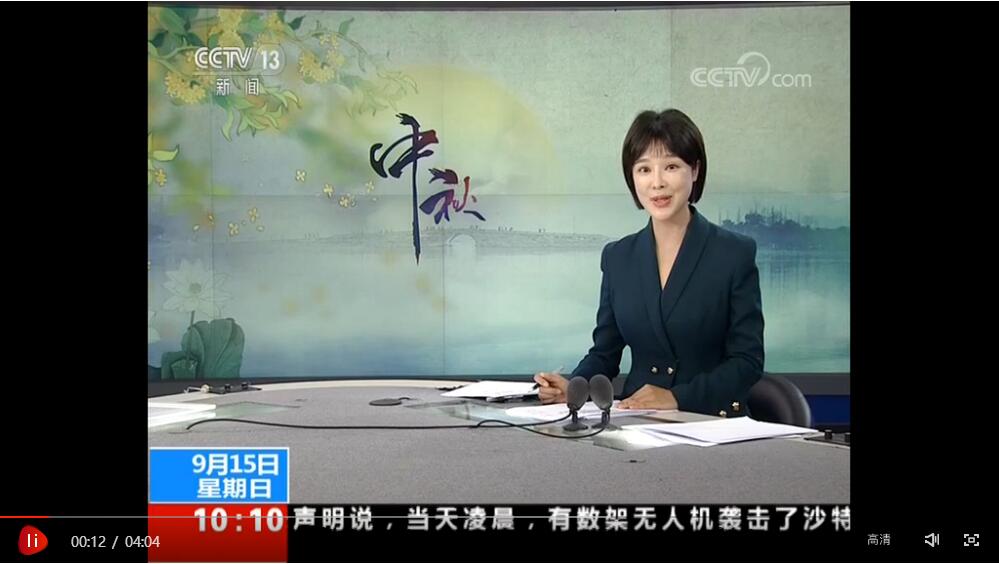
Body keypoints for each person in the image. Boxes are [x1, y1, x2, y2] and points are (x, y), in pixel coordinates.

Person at [534, 109, 764, 417]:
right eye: (644, 169)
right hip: (635, 421)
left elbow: (747, 362)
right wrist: (575, 387)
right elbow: (605, 353)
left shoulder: (734, 253)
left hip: (711, 421)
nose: (657, 183)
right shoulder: (618, 257)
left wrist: (677, 397)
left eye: (671, 166)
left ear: (695, 170)